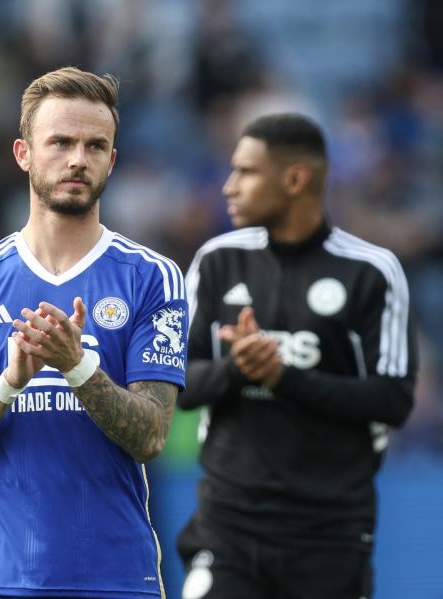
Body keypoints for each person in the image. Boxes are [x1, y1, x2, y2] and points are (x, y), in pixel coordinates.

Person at [0, 66, 187, 598]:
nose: (77, 160)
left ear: (111, 160)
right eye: (60, 142)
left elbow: (152, 434)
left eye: (95, 146)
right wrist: (9, 381)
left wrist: (77, 366)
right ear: (23, 154)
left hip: (116, 582)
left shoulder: (152, 277)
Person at [177, 113, 416, 599]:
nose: (228, 186)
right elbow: (176, 383)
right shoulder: (219, 260)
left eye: (246, 172)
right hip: (229, 523)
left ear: (294, 179)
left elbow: (393, 400)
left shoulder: (371, 272)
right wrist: (236, 369)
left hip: (329, 530)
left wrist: (284, 376)